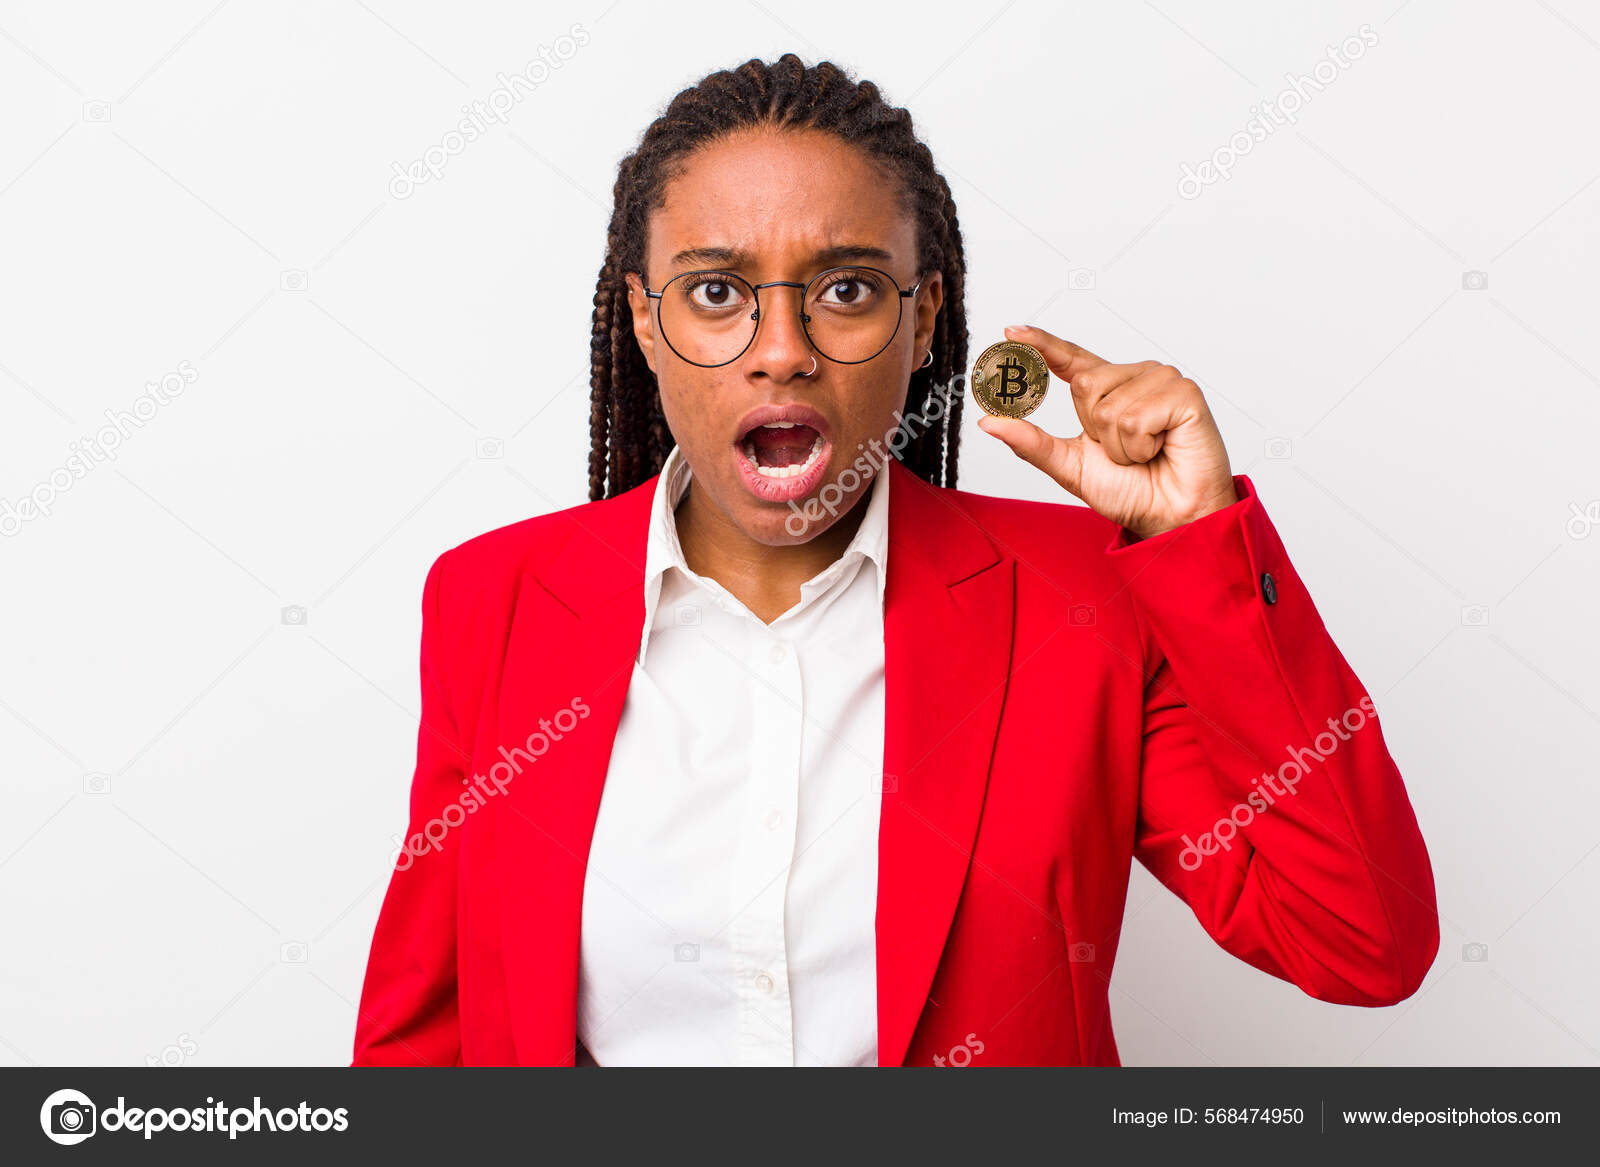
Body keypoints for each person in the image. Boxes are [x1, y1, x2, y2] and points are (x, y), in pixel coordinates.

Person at [352, 53, 1438, 1068]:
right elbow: (425, 1040)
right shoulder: (494, 600)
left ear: (924, 325)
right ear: (643, 320)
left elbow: (1359, 944)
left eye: (848, 289)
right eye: (718, 291)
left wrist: (1200, 549)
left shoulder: (1081, 602)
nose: (782, 349)